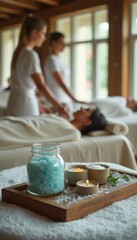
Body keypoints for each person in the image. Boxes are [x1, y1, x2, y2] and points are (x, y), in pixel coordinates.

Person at [6, 16, 69, 118]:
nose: (44, 38)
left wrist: (39, 105)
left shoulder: (18, 52)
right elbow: (41, 85)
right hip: (26, 104)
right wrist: (58, 106)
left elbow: (21, 82)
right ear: (34, 32)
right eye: (43, 33)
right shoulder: (30, 54)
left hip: (14, 102)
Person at [0, 107, 107, 150]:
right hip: (13, 123)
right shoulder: (64, 120)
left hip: (12, 132)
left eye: (86, 110)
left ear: (87, 121)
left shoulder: (73, 133)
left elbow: (40, 131)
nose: (81, 108)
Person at [43, 31, 88, 114]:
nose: (64, 45)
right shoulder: (52, 60)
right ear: (54, 43)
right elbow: (61, 83)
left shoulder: (58, 59)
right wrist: (75, 99)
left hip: (64, 99)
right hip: (57, 99)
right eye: (61, 43)